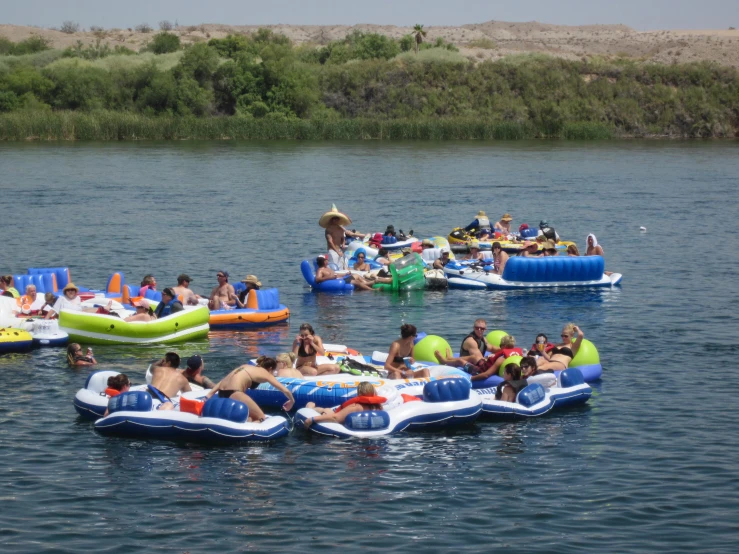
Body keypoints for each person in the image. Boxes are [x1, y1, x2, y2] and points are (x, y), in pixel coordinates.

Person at [206, 364, 296, 422]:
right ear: (270, 368)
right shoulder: (265, 373)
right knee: (261, 418)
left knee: (249, 417)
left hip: (221, 393)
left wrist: (209, 394)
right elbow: (285, 390)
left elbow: (224, 380)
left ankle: (246, 424)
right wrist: (291, 401)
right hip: (235, 393)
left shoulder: (244, 366)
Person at [304, 382, 384, 429]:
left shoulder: (356, 407)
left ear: (359, 393)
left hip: (336, 417)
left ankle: (310, 407)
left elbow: (335, 418)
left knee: (326, 410)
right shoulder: (378, 406)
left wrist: (312, 419)